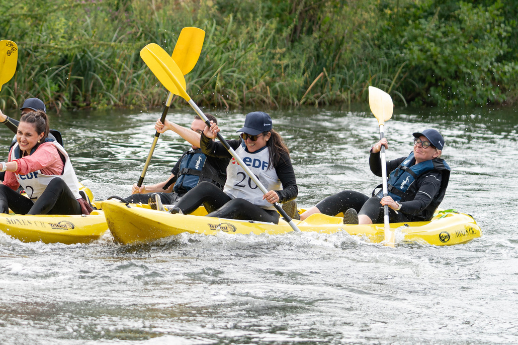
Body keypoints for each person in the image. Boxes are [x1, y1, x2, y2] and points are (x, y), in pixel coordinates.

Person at [167, 112, 298, 223]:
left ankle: (203, 224)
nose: (248, 141)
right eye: (245, 135)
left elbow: (292, 188)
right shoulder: (236, 147)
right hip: (228, 205)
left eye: (253, 137)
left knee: (239, 203)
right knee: (205, 186)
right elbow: (210, 150)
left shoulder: (278, 156)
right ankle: (173, 215)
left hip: (263, 213)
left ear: (267, 136)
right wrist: (206, 137)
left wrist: (279, 195)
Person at [300, 128, 451, 225]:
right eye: (417, 141)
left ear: (436, 153)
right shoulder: (407, 161)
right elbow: (379, 170)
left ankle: (357, 229)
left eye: (425, 144)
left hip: (407, 217)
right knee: (348, 195)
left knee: (375, 202)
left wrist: (397, 205)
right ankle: (300, 218)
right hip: (386, 207)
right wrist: (375, 152)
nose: (419, 145)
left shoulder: (432, 177)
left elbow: (421, 204)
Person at [0, 112, 90, 215]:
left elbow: (28, 164)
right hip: (39, 207)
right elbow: (10, 185)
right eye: (19, 133)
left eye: (28, 135)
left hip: (67, 209)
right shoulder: (15, 151)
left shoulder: (49, 150)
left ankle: (28, 221)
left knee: (57, 183)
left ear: (41, 135)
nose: (22, 139)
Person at [128, 115, 224, 206]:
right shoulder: (187, 155)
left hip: (198, 202)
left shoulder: (218, 153)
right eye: (191, 131)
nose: (192, 135)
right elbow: (168, 187)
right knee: (136, 198)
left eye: (198, 132)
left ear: (211, 133)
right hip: (175, 198)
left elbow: (201, 141)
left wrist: (170, 125)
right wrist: (144, 189)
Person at [0, 97, 64, 146]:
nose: (27, 119)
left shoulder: (49, 140)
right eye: (24, 115)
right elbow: (10, 169)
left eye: (32, 115)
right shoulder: (18, 138)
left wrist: (3, 118)